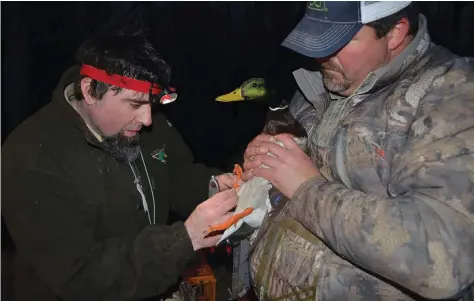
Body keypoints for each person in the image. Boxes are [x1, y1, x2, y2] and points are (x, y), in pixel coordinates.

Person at [243, 1, 474, 300]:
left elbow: (442, 258)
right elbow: (293, 174)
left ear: (394, 33)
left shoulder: (453, 94)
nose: (319, 54)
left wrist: (305, 188)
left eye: (338, 40)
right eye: (316, 36)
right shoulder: (321, 82)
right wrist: (259, 175)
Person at [1, 29, 240, 301]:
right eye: (134, 103)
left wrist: (214, 186)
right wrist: (184, 240)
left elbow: (175, 177)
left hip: (153, 285)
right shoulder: (30, 158)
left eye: (150, 103)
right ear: (90, 91)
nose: (148, 119)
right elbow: (82, 278)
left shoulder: (142, 125)